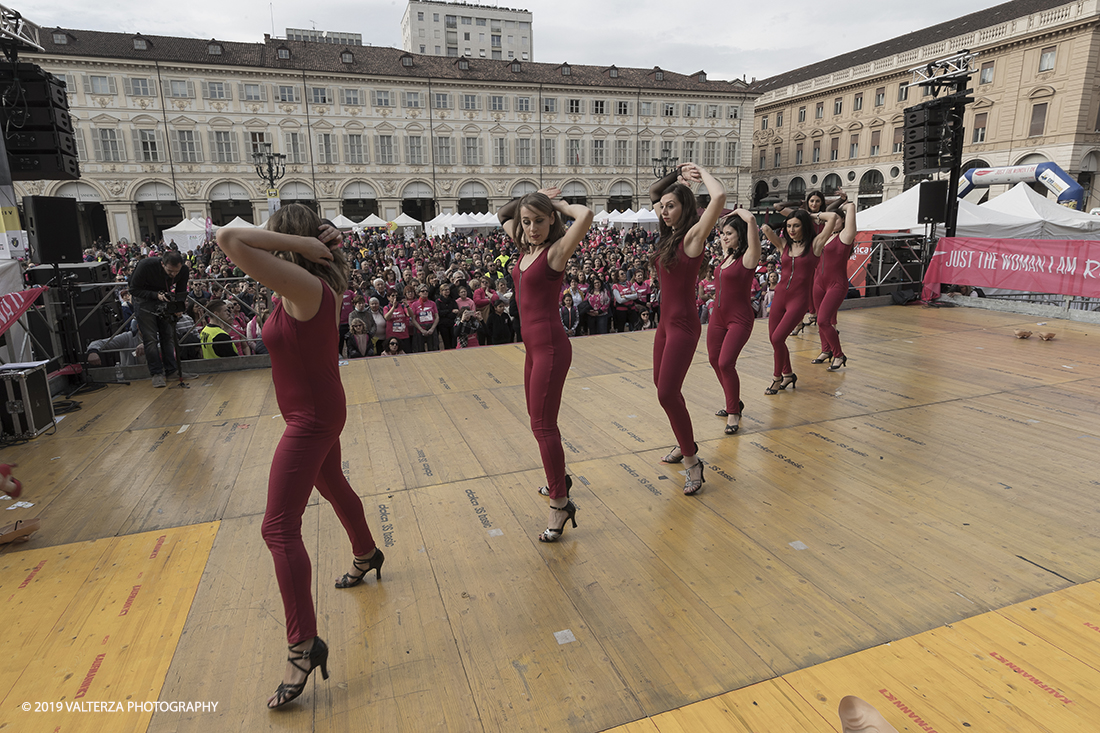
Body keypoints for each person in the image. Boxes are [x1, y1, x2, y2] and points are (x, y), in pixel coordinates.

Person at [215, 204, 382, 710]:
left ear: (284, 242)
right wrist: (310, 246)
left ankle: (302, 645)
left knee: (277, 528)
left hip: (310, 418)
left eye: (270, 234)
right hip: (315, 410)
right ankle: (367, 552)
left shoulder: (305, 287)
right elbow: (238, 243)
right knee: (332, 485)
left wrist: (309, 247)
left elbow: (226, 236)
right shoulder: (299, 284)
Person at [499, 187, 593, 541]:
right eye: (527, 222)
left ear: (551, 220)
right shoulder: (526, 248)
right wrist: (532, 196)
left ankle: (560, 503)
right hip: (533, 350)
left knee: (543, 426)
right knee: (538, 423)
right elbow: (502, 215)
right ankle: (559, 481)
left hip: (551, 348)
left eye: (539, 221)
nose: (532, 227)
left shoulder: (555, 252)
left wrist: (556, 204)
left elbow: (585, 217)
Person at [648, 162, 725, 495]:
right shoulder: (668, 237)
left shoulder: (693, 237)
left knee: (667, 392)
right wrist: (677, 174)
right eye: (663, 208)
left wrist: (701, 171)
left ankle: (693, 461)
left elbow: (719, 195)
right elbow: (654, 193)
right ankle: (684, 441)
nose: (663, 211)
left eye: (671, 206)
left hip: (683, 326)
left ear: (685, 208)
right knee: (664, 391)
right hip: (664, 326)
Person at [761, 209, 840, 395]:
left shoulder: (815, 244)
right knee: (775, 340)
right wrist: (783, 222)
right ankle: (787, 374)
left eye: (796, 225)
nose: (792, 229)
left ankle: (777, 377)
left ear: (804, 225)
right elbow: (765, 228)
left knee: (778, 338)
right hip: (779, 296)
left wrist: (810, 215)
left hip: (799, 300)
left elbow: (833, 218)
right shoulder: (783, 245)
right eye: (789, 226)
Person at [706, 209, 761, 435]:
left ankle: (733, 413)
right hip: (717, 318)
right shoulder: (727, 257)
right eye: (722, 233)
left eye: (729, 233)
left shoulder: (749, 257)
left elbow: (752, 221)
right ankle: (734, 402)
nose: (724, 236)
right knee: (713, 360)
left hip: (739, 319)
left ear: (740, 234)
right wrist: (724, 243)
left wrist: (736, 212)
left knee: (726, 363)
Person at [128, 251, 188, 387]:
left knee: (167, 336)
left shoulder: (183, 270)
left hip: (164, 300)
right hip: (143, 300)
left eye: (176, 272)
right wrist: (156, 295)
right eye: (170, 271)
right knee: (150, 339)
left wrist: (178, 306)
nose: (173, 275)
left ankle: (172, 371)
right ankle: (156, 373)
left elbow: (181, 290)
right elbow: (133, 289)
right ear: (162, 264)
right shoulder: (145, 265)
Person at [812, 201, 858, 371]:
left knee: (824, 320)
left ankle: (839, 354)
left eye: (836, 219)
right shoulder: (825, 235)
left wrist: (844, 203)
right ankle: (826, 350)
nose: (830, 221)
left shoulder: (845, 236)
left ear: (844, 220)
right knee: (822, 320)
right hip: (818, 283)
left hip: (836, 284)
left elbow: (851, 207)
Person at [409, 284, 440, 352]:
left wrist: (432, 328)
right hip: (420, 328)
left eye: (426, 291)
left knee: (433, 348)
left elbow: (437, 317)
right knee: (420, 349)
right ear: (418, 293)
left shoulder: (432, 303)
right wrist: (421, 329)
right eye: (422, 291)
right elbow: (413, 319)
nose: (425, 292)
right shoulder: (415, 304)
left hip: (431, 327)